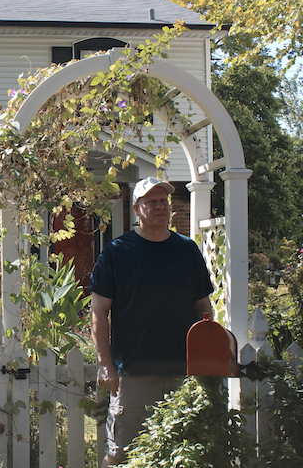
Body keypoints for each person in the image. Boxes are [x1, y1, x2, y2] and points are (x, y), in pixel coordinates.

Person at [88, 176, 213, 467]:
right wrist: (105, 363)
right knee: (121, 455)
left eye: (163, 201)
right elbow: (98, 312)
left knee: (183, 454)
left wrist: (206, 358)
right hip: (133, 375)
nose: (159, 207)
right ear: (137, 209)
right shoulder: (117, 253)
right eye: (152, 202)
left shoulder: (187, 250)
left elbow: (203, 307)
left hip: (183, 372)